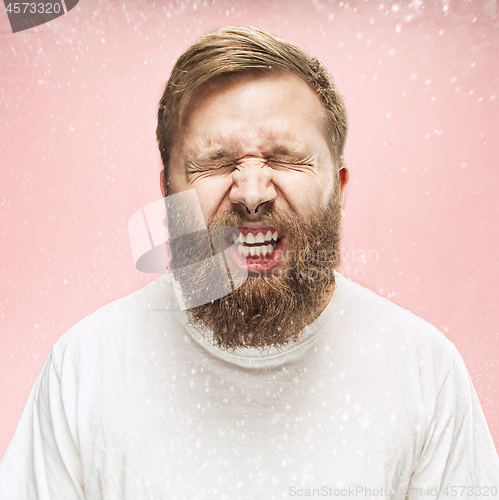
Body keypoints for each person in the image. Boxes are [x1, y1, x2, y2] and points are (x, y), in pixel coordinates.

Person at [1, 26, 498, 500]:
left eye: (283, 158)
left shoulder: (424, 373)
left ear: (339, 190)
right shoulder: (84, 369)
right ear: (168, 194)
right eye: (216, 164)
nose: (253, 194)